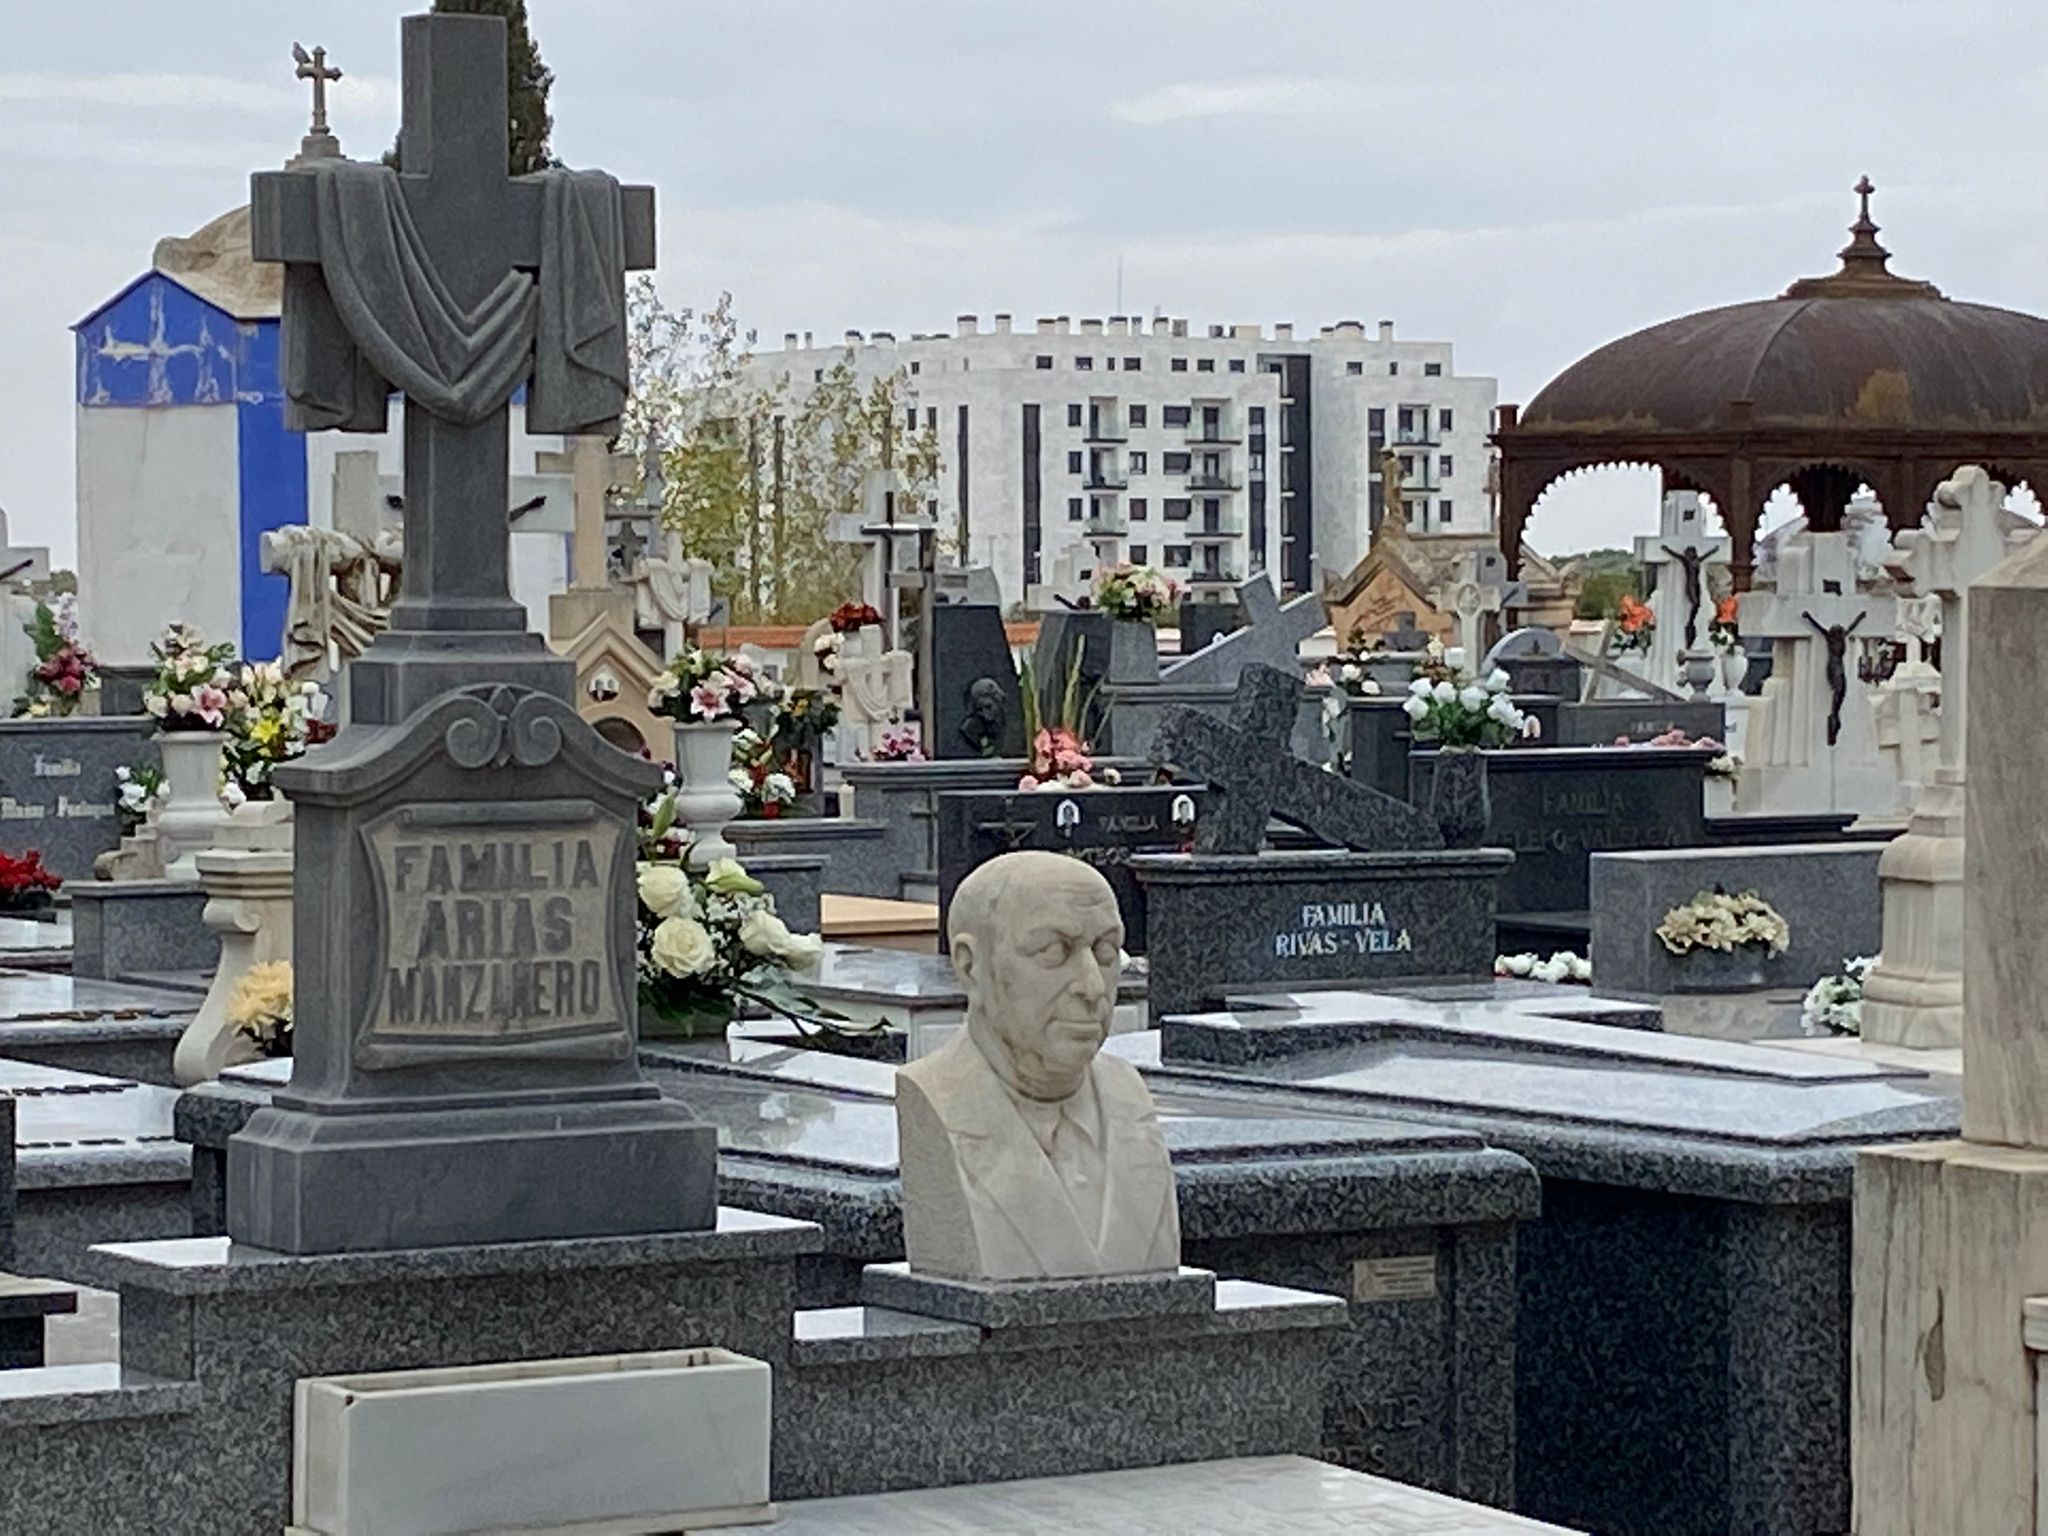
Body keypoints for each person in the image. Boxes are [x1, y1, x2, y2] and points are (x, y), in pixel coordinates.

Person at [896, 851, 1180, 1281]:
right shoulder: (937, 1100)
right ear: (971, 967)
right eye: (1052, 952)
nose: (1090, 987)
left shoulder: (1129, 1098)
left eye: (1106, 952)